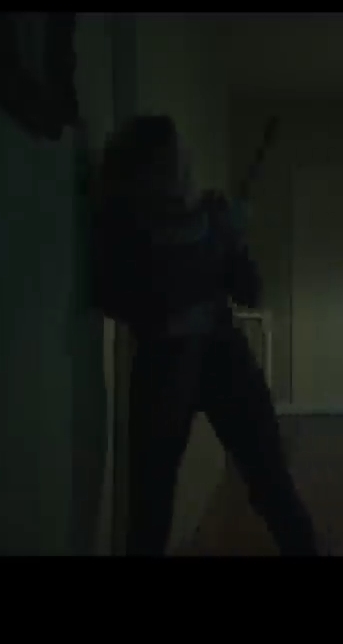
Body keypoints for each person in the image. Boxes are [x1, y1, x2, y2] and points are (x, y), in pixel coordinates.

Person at [92, 115, 319, 556]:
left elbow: (249, 291)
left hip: (222, 355)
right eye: (173, 159)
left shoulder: (210, 215)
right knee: (151, 503)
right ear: (149, 170)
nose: (185, 165)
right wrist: (208, 249)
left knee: (270, 477)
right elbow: (116, 298)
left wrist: (234, 242)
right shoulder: (124, 224)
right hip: (163, 366)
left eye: (181, 156)